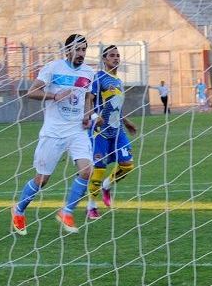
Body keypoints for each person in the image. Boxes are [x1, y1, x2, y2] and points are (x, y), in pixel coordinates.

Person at [11, 34, 97, 235]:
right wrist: (54, 95)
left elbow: (88, 98)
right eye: (77, 49)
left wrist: (87, 115)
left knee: (87, 170)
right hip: (53, 132)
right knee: (42, 179)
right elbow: (31, 92)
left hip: (77, 130)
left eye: (84, 50)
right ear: (67, 50)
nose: (81, 54)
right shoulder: (52, 68)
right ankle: (19, 209)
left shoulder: (88, 72)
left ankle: (66, 211)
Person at [86, 45, 138, 219]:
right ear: (104, 59)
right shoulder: (99, 77)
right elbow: (89, 100)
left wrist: (127, 121)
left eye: (118, 55)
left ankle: (107, 186)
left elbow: (115, 108)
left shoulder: (118, 82)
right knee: (99, 168)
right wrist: (93, 116)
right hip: (99, 131)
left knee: (128, 165)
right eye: (112, 55)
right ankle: (91, 206)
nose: (116, 58)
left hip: (117, 131)